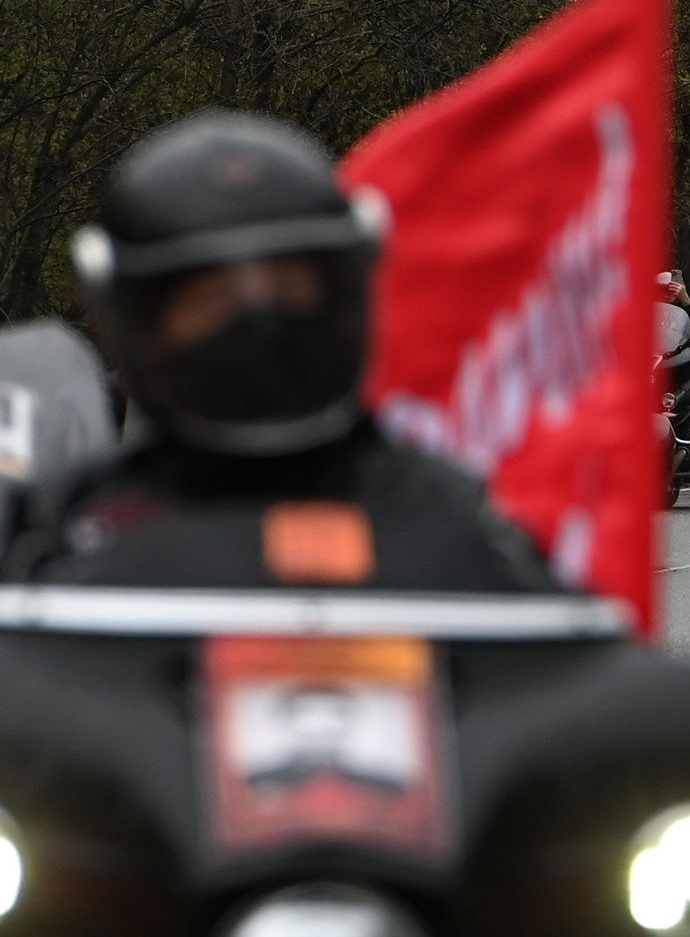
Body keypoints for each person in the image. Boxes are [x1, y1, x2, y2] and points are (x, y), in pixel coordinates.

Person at [4, 108, 557, 591]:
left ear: (347, 297)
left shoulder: (460, 514)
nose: (259, 324)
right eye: (213, 300)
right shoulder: (66, 529)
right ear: (136, 318)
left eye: (290, 290)